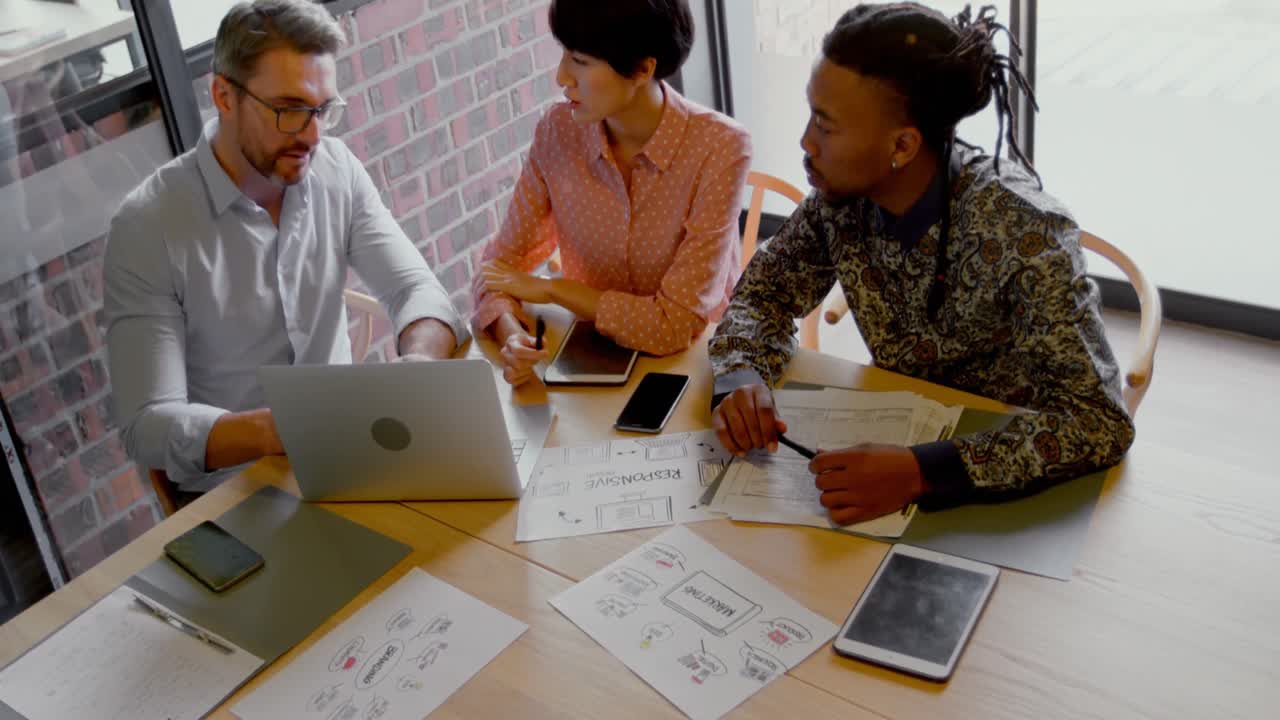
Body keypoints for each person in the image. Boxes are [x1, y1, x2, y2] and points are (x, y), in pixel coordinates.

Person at [709, 3, 1135, 524]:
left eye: (826, 125)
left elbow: (1096, 421)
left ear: (903, 145)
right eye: (809, 114)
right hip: (889, 442)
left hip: (1010, 489)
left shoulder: (1023, 230)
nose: (805, 142)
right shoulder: (839, 203)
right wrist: (742, 375)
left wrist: (921, 471)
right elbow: (764, 294)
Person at [104, 0, 467, 494]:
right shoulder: (149, 227)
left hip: (353, 457)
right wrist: (286, 428)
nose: (313, 135)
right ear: (224, 96)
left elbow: (416, 290)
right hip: (240, 491)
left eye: (323, 110)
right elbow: (148, 423)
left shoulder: (336, 169)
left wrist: (420, 365)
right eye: (291, 110)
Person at [472, 0, 751, 386]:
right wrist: (511, 335)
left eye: (580, 61)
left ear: (642, 68)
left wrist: (554, 291)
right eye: (564, 54)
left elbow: (674, 326)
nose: (561, 77)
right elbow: (496, 270)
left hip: (691, 370)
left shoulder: (720, 148)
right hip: (588, 365)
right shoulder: (558, 132)